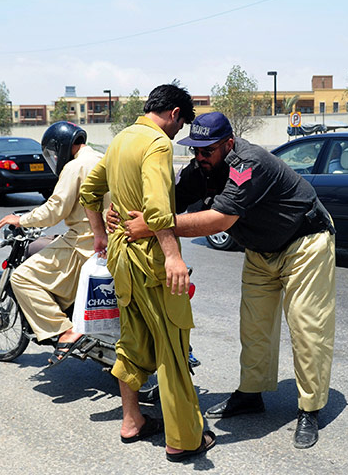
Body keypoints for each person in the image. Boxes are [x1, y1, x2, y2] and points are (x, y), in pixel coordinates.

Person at [114, 111, 336, 449]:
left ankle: (310, 408)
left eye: (208, 151)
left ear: (228, 144)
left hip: (304, 242)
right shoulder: (200, 169)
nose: (200, 157)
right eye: (195, 150)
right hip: (261, 250)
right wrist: (122, 210)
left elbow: (220, 219)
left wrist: (156, 225)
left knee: (307, 327)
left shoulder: (248, 163)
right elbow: (165, 199)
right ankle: (251, 394)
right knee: (253, 326)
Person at [79, 84, 215, 462]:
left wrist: (100, 235)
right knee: (172, 347)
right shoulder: (157, 144)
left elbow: (90, 191)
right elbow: (157, 210)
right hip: (150, 259)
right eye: (181, 123)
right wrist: (172, 257)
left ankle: (132, 421)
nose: (178, 132)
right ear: (174, 114)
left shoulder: (121, 139)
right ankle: (183, 440)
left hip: (121, 259)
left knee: (134, 341)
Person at [0, 121, 103, 367]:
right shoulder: (101, 158)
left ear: (62, 148)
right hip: (108, 240)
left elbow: (54, 210)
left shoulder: (76, 166)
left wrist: (21, 219)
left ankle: (64, 330)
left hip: (85, 242)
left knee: (22, 277)